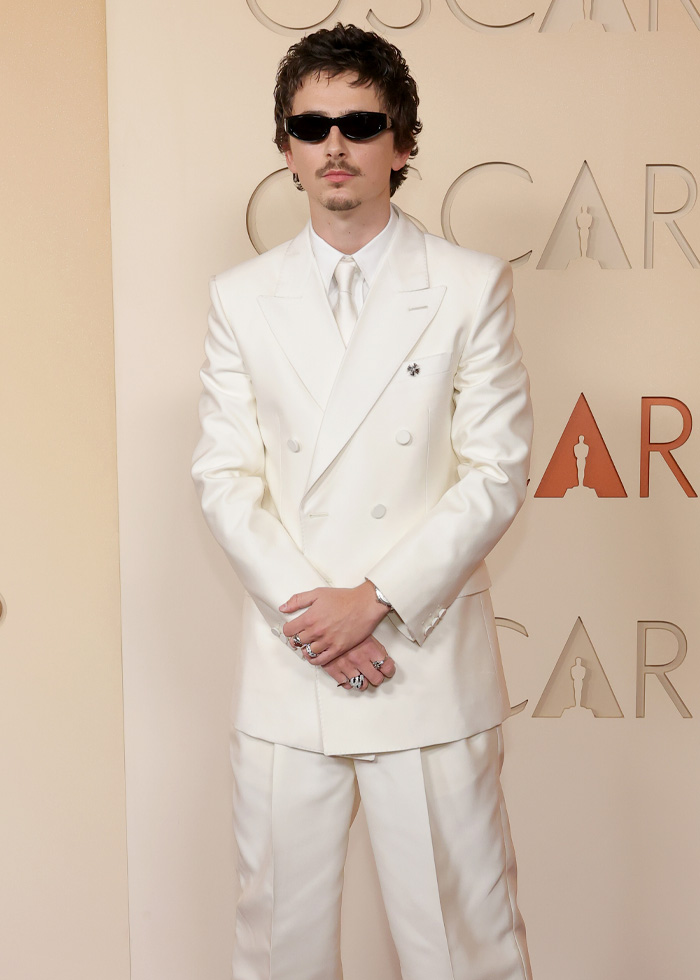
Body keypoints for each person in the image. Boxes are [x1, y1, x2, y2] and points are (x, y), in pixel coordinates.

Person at [192, 22, 534, 980]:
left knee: (462, 945)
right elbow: (225, 476)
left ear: (403, 142)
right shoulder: (241, 297)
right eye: (310, 125)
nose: (333, 145)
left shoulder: (470, 288)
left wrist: (373, 600)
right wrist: (319, 621)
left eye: (359, 121)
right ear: (286, 149)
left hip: (421, 662)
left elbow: (496, 469)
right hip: (291, 665)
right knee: (277, 950)